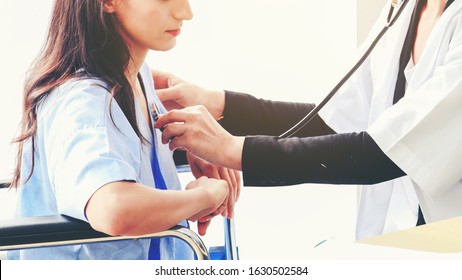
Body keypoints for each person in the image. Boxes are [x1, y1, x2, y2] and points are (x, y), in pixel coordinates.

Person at [154, 0, 462, 240]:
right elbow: (334, 122)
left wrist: (231, 150)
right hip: (399, 238)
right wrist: (217, 105)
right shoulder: (405, 9)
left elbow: (379, 154)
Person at [9, 0, 235, 260]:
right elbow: (114, 207)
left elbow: (126, 152)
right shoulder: (84, 99)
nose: (186, 12)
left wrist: (192, 144)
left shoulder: (137, 77)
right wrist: (203, 196)